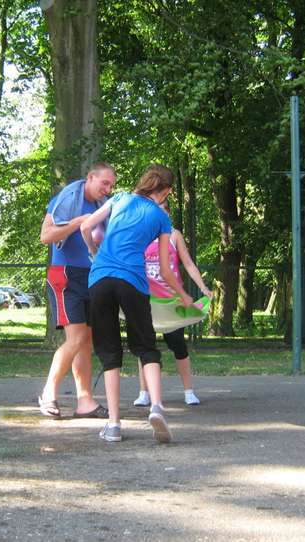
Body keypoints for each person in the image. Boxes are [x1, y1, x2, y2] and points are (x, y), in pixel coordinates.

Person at [81, 164, 193, 443]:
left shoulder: (119, 198)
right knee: (146, 346)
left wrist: (94, 251)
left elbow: (86, 226)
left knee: (109, 352)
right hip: (133, 281)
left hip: (100, 279)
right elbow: (165, 270)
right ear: (166, 191)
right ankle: (157, 407)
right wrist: (182, 294)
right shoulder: (161, 218)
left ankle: (114, 425)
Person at [38, 162, 117, 418]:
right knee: (75, 339)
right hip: (65, 275)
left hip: (92, 276)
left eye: (111, 185)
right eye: (104, 183)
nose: (108, 189)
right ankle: (48, 394)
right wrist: (78, 223)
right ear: (90, 177)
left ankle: (85, 402)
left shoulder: (103, 208)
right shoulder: (66, 199)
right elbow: (46, 236)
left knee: (86, 341)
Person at [133, 201, 213, 407]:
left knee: (178, 345)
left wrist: (203, 287)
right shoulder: (141, 235)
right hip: (148, 301)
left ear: (167, 213)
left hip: (172, 301)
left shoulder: (174, 235)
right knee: (144, 346)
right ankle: (144, 392)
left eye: (162, 209)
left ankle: (188, 391)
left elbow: (188, 264)